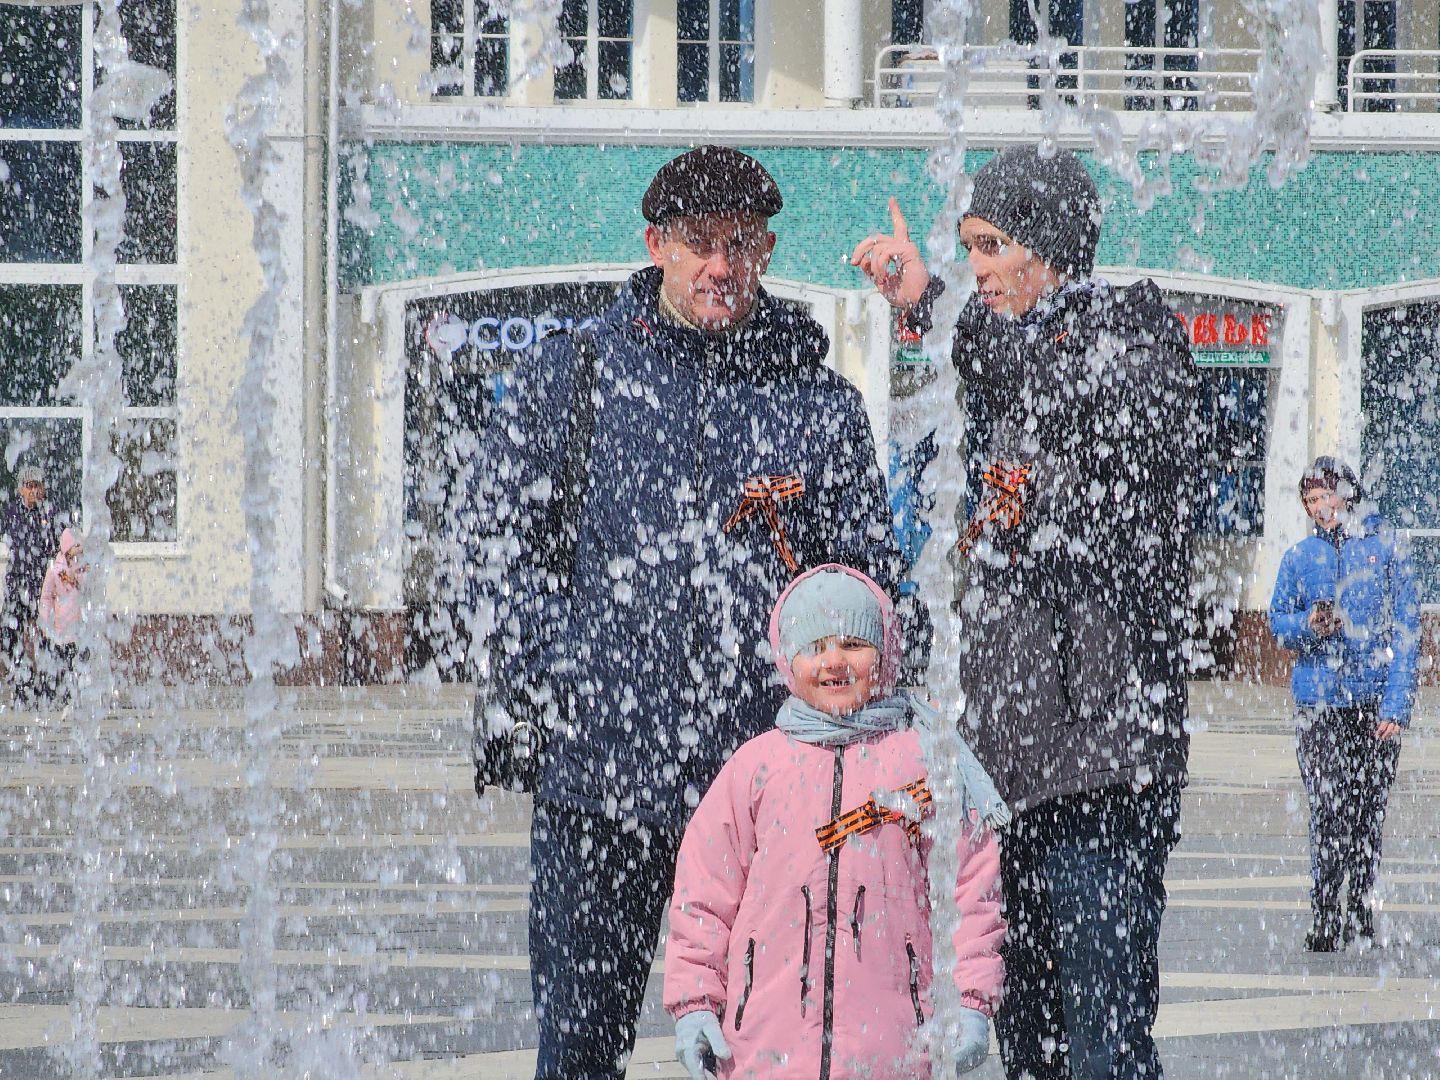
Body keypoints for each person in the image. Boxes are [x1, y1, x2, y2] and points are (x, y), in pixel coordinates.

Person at [462, 145, 909, 1080]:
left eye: (740, 244)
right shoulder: (575, 375)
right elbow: (500, 551)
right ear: (656, 245)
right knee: (580, 1048)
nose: (720, 265)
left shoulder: (817, 401)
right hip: (602, 786)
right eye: (700, 243)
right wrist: (570, 680)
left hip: (771, 786)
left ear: (768, 249)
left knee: (773, 1051)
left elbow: (870, 584)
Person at [852, 145, 1201, 1079]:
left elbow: (1092, 405)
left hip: (1102, 767)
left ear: (1046, 247)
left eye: (990, 247)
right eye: (967, 248)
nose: (978, 269)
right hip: (1008, 772)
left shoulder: (1134, 333)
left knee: (1104, 1040)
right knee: (1034, 1043)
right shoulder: (1011, 369)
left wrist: (942, 309)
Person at [664, 564, 1008, 1080]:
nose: (834, 662)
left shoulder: (921, 762)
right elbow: (703, 897)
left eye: (852, 643)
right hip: (766, 1046)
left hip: (894, 1046)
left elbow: (971, 891)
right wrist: (695, 1003)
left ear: (884, 654)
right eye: (815, 648)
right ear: (788, 660)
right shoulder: (755, 768)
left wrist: (972, 1002)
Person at [1267, 456, 1418, 952]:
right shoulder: (1299, 556)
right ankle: (1326, 913)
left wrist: (1395, 707)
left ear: (1345, 494)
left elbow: (1407, 632)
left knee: (1367, 813)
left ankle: (1361, 911)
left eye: (1324, 496)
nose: (1318, 508)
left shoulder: (1383, 548)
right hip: (1320, 704)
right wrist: (1307, 627)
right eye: (1309, 501)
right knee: (1328, 809)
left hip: (1372, 704)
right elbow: (1277, 622)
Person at [1, 465, 60, 705]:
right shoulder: (11, 512)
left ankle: (48, 686)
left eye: (37, 485)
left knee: (47, 636)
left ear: (43, 489)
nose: (33, 490)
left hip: (41, 587)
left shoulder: (50, 514)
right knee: (8, 636)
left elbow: (61, 548)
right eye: (29, 486)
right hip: (16, 584)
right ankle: (21, 683)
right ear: (21, 490)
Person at [36, 527, 85, 706]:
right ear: (67, 548)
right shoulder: (55, 570)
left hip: (79, 623)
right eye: (76, 545)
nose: (80, 549)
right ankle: (65, 697)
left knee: (80, 661)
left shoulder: (82, 568)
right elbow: (46, 596)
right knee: (64, 662)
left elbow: (90, 588)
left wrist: (79, 574)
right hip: (62, 625)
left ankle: (78, 696)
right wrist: (44, 618)